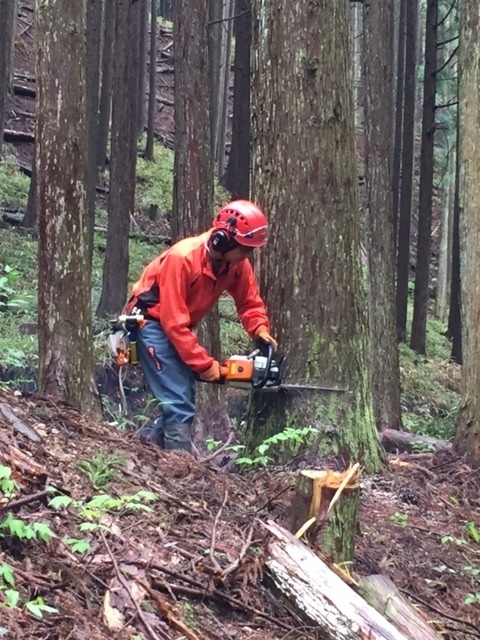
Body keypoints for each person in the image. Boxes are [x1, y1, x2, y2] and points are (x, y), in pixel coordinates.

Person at [124, 200, 278, 453]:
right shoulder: (182, 258)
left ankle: (149, 454)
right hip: (150, 323)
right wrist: (205, 365)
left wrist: (259, 329)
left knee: (182, 396)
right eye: (245, 249)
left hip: (176, 326)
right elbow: (173, 323)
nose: (247, 256)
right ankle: (178, 466)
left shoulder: (236, 264)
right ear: (223, 240)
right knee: (178, 401)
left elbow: (249, 300)